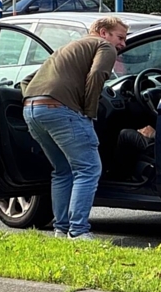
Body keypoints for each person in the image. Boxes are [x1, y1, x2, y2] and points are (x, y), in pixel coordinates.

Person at [21, 16, 128, 240]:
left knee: (62, 170)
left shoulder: (68, 48)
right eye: (120, 37)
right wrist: (88, 111)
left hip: (33, 110)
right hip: (61, 110)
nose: (122, 44)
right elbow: (98, 74)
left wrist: (35, 101)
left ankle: (61, 228)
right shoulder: (104, 46)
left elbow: (27, 80)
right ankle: (78, 231)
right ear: (102, 32)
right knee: (88, 169)